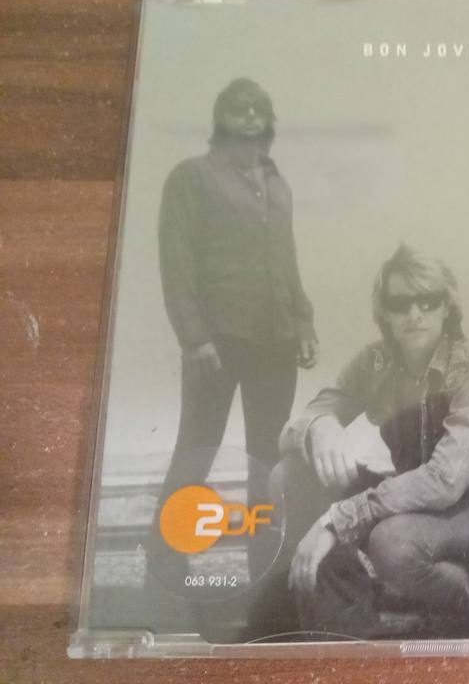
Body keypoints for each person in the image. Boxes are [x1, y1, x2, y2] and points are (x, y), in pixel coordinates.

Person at [272, 245, 469, 639]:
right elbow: (294, 429)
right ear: (385, 314)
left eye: (427, 300)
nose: (414, 314)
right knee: (289, 476)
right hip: (415, 507)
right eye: (400, 303)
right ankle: (344, 631)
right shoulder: (374, 363)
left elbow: (445, 482)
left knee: (391, 543)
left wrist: (336, 519)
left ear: (447, 307)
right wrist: (319, 425)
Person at [151, 78, 318, 582]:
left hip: (276, 341)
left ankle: (262, 579)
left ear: (268, 122)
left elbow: (287, 261)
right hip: (217, 342)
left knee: (266, 459)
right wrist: (194, 338)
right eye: (238, 109)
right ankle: (163, 575)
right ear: (220, 120)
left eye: (257, 109)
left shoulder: (277, 183)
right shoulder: (192, 177)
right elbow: (176, 262)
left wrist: (304, 321)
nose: (248, 117)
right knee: (196, 451)